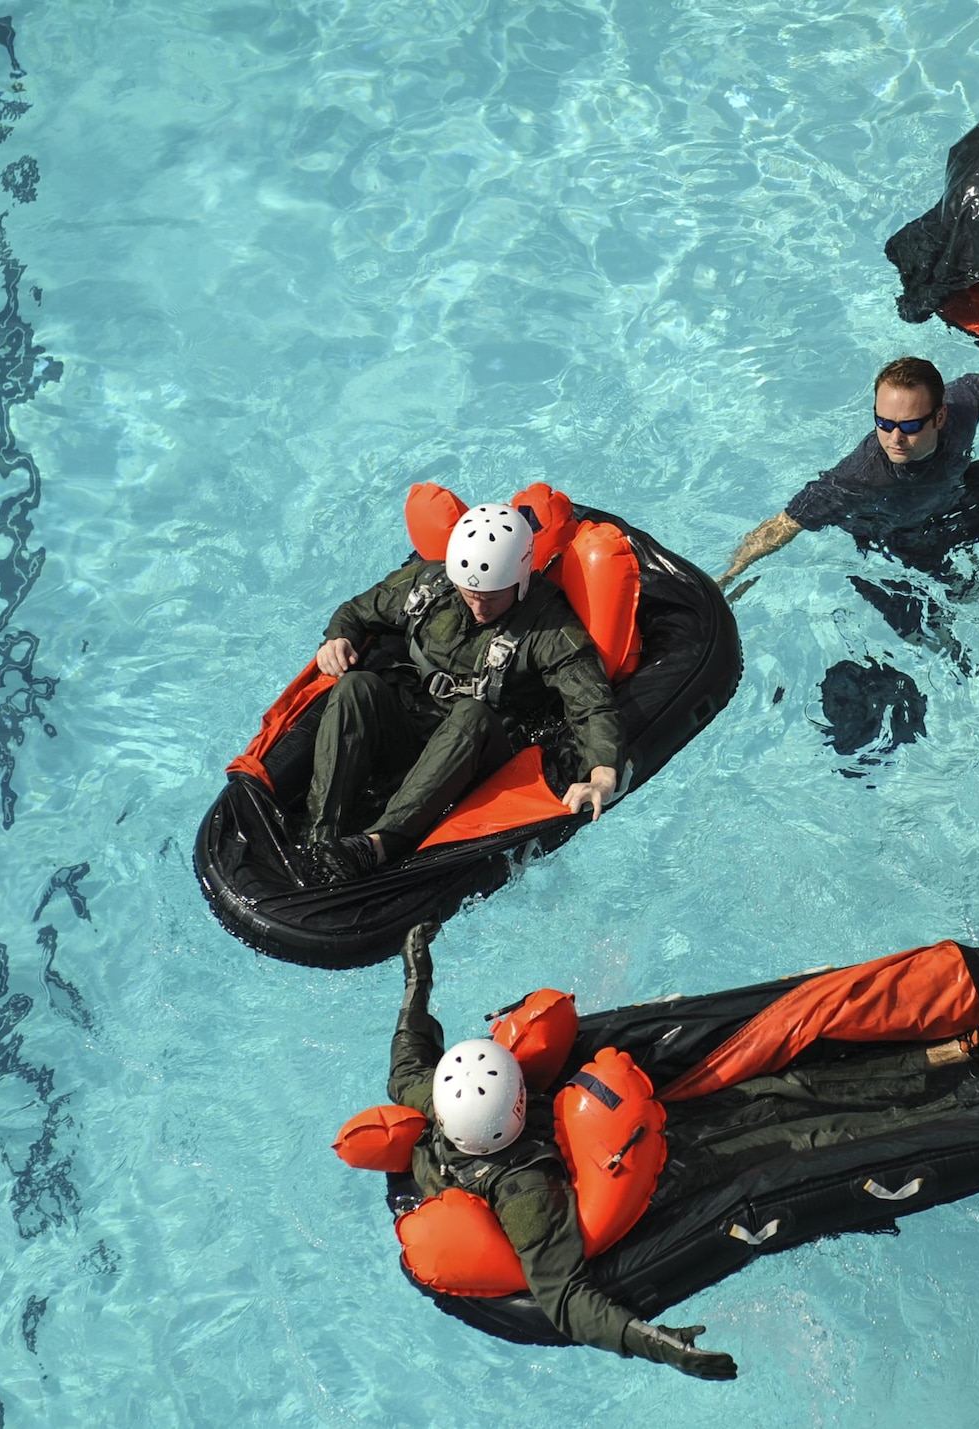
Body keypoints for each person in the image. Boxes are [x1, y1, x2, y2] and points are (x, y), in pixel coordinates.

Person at [389, 923, 739, 1380]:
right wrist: (657, 1345)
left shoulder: (434, 1106)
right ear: (518, 1100)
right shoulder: (525, 1195)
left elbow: (406, 1058)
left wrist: (418, 977)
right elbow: (564, 1298)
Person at [305, 503, 624, 881]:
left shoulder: (549, 630)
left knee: (469, 716)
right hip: (414, 725)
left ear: (519, 579)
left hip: (477, 750)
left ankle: (378, 846)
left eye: (490, 597)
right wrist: (338, 637)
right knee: (357, 686)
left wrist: (601, 775)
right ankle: (320, 836)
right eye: (470, 593)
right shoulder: (430, 584)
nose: (477, 604)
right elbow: (357, 610)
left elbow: (592, 705)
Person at [715, 314, 979, 590]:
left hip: (951, 495)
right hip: (896, 533)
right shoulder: (860, 476)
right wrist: (727, 578)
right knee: (955, 598)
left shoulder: (960, 408)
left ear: (939, 418)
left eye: (908, 426)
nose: (894, 438)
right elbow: (784, 523)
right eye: (884, 423)